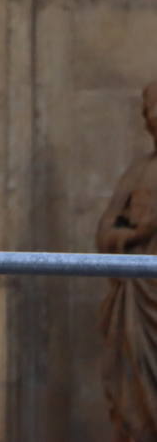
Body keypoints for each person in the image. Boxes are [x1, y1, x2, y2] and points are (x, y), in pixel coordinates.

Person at [97, 81, 157, 442]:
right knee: (136, 399)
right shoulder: (139, 172)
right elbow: (105, 232)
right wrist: (135, 234)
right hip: (139, 295)